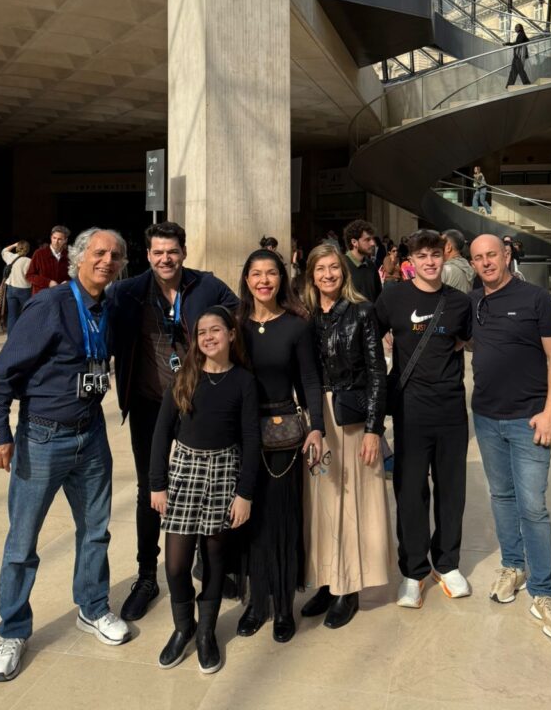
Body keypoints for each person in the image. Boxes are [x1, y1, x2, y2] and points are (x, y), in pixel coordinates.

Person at [0, 228, 131, 683]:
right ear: (79, 258)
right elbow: (4, 372)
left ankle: (93, 607)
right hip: (42, 438)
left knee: (95, 531)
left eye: (116, 255)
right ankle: (12, 630)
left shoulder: (109, 305)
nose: (107, 261)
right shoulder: (50, 305)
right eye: (99, 253)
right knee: (22, 544)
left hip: (91, 436)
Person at [109, 221, 238, 622]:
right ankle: (147, 575)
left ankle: (204, 560)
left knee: (206, 483)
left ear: (184, 251)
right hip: (149, 405)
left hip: (198, 404)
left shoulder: (208, 286)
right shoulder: (128, 292)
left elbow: (242, 319)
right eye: (158, 252)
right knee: (153, 487)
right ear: (148, 255)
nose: (166, 258)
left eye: (172, 251)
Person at [468, 235, 551, 641]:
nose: (486, 262)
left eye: (492, 254)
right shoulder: (475, 301)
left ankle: (543, 592)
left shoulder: (536, 299)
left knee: (533, 506)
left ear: (507, 255)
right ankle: (513, 564)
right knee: (501, 495)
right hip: (486, 416)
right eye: (478, 258)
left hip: (529, 420)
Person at [149, 306, 259, 672]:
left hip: (224, 471)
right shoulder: (184, 376)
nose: (209, 337)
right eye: (201, 332)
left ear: (230, 334)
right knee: (177, 563)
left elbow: (250, 438)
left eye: (216, 330)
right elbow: (162, 433)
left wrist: (245, 493)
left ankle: (207, 633)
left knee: (214, 559)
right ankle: (184, 628)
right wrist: (157, 484)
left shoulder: (243, 381)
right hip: (184, 471)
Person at [374, 229, 472, 609]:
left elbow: (462, 340)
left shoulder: (459, 302)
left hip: (450, 408)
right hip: (410, 410)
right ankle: (413, 571)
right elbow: (371, 338)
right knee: (411, 491)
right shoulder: (394, 296)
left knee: (451, 490)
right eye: (422, 256)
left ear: (444, 257)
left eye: (435, 254)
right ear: (409, 263)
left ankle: (446, 564)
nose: (430, 262)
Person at [301, 244, 391, 629]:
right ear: (311, 275)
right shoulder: (305, 317)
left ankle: (349, 586)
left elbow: (376, 372)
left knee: (355, 502)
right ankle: (325, 578)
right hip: (316, 419)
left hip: (352, 420)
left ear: (344, 272)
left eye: (333, 267)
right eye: (320, 268)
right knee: (321, 500)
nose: (327, 275)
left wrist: (374, 428)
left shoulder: (362, 312)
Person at [235, 249, 323, 643]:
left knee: (283, 518)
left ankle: (284, 604)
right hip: (240, 433)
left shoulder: (296, 325)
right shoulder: (234, 324)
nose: (264, 281)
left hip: (284, 433)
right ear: (247, 280)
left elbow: (309, 380)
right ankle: (257, 603)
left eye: (271, 273)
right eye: (256, 274)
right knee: (250, 520)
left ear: (282, 279)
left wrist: (316, 428)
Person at [343, 219, 382, 303]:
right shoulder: (341, 266)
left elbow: (378, 296)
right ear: (354, 242)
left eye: (372, 239)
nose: (373, 243)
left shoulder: (371, 265)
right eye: (367, 240)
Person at [26, 225, 70, 294]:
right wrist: (48, 282)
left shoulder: (69, 256)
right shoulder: (39, 253)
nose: (56, 241)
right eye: (54, 238)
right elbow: (30, 275)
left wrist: (68, 282)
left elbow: (73, 277)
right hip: (41, 297)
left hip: (60, 296)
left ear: (65, 240)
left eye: (60, 239)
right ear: (51, 238)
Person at [2, 241, 32, 334]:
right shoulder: (29, 261)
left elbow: (4, 250)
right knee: (26, 314)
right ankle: (24, 336)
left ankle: (11, 338)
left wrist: (14, 244)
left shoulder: (10, 257)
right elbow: (30, 277)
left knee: (12, 315)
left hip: (10, 288)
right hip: (24, 289)